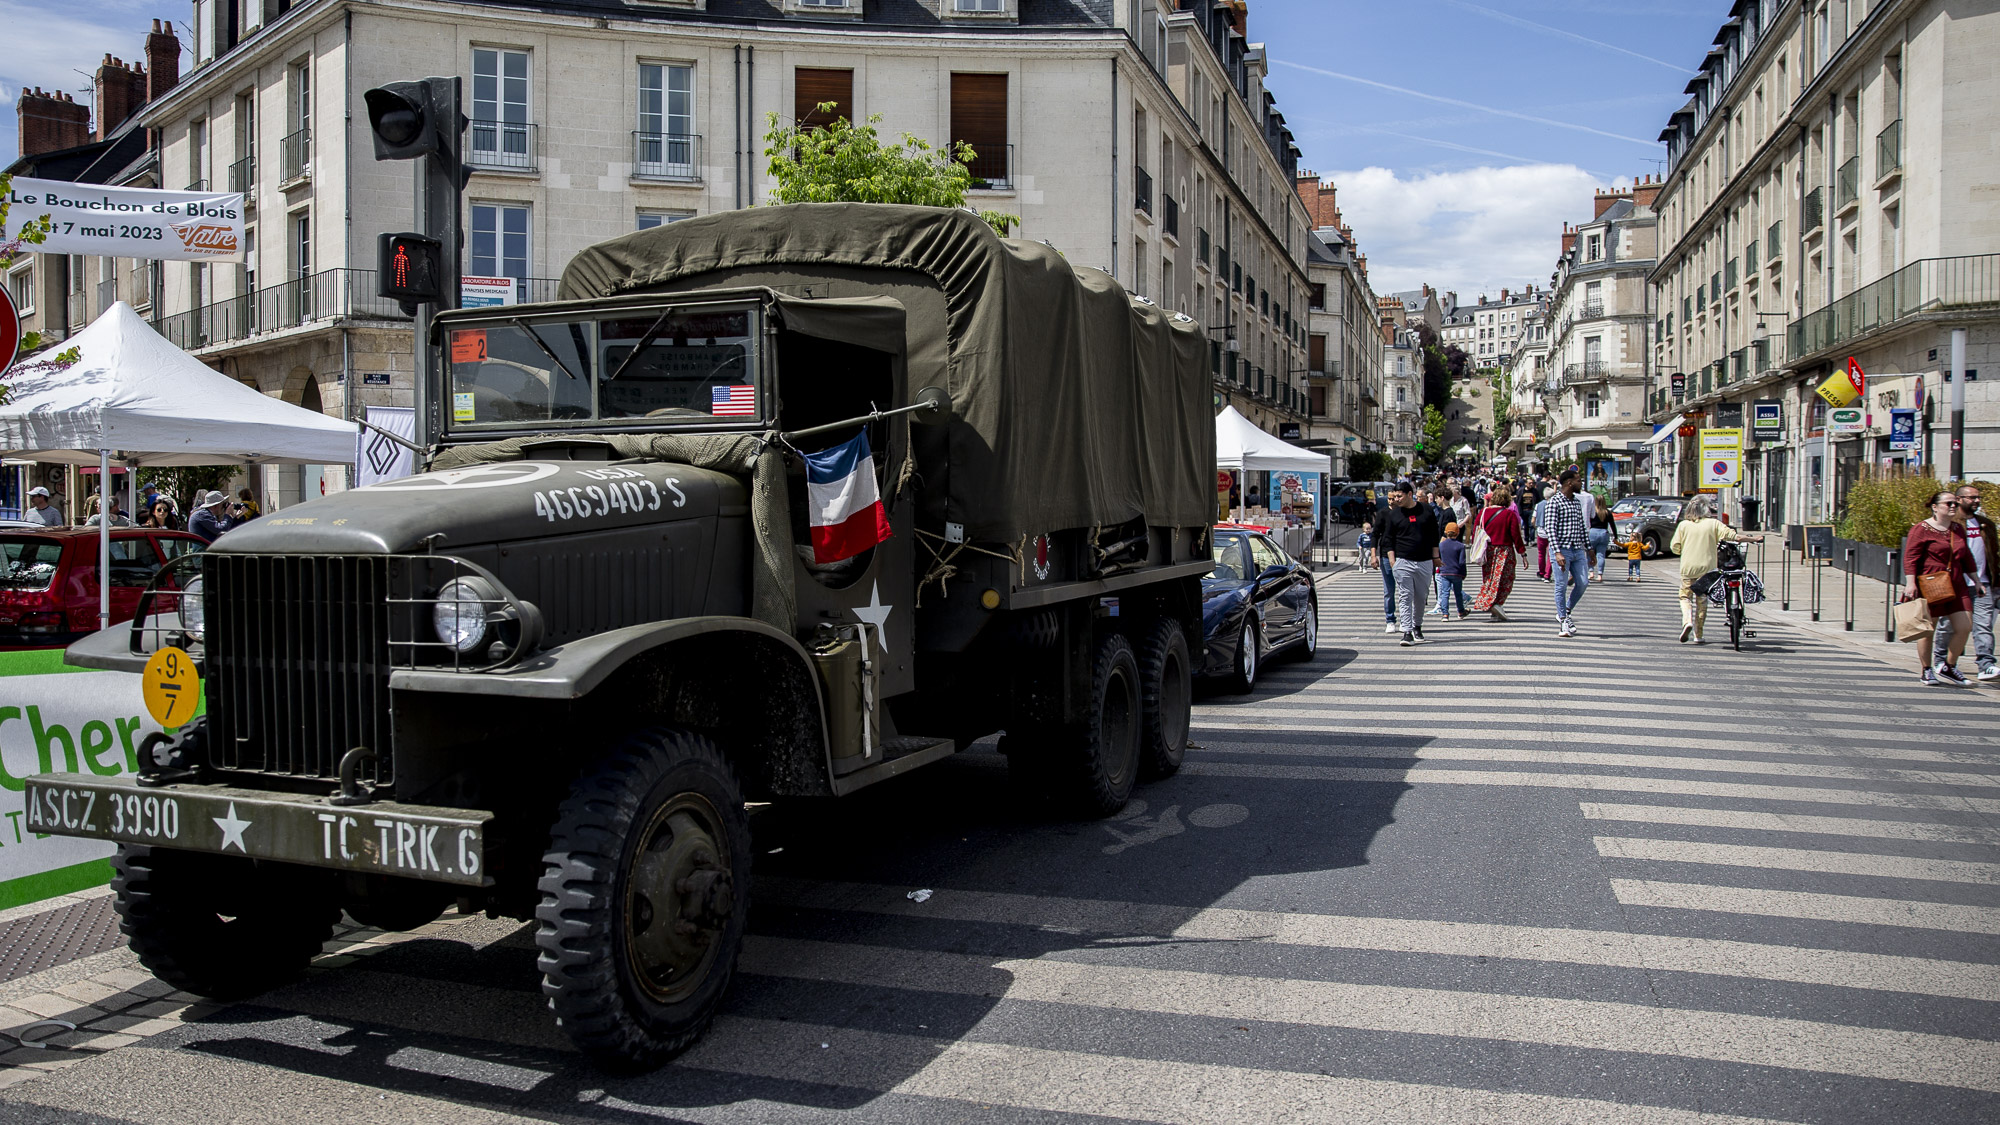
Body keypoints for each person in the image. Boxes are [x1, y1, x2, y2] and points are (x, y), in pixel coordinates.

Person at [1904, 490, 1982, 685]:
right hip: (1932, 582)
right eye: (1948, 503)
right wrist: (1910, 583)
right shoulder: (1921, 529)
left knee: (1964, 626)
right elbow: (1910, 557)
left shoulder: (1958, 528)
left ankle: (1949, 666)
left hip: (1957, 583)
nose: (1953, 506)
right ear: (1935, 507)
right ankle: (1926, 669)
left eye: (1955, 503)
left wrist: (1977, 581)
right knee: (1928, 629)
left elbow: (1966, 558)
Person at [1669, 494, 1765, 645]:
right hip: (1707, 569)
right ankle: (1698, 634)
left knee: (1685, 597)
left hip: (1688, 568)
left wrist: (1685, 550)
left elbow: (1674, 547)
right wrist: (1754, 539)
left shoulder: (1683, 525)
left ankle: (1686, 621)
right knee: (1702, 600)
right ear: (1706, 509)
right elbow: (1734, 537)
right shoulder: (1713, 524)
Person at [1378, 479, 1442, 646]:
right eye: (1395, 496)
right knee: (1405, 596)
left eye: (1400, 496)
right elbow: (1388, 539)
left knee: (1421, 597)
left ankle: (1417, 626)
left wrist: (1436, 557)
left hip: (1424, 560)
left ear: (1409, 495)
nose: (1397, 499)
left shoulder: (1426, 510)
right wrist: (1392, 561)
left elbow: (1434, 535)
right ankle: (1406, 631)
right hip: (1403, 560)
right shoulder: (1394, 514)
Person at [1953, 483, 2000, 681]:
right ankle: (1943, 661)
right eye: (1972, 497)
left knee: (1983, 625)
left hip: (1982, 584)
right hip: (1955, 584)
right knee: (1951, 626)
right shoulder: (1952, 524)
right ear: (1959, 500)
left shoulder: (1986, 524)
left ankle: (1986, 664)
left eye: (1977, 497)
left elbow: (1994, 555)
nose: (1976, 501)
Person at [1543, 468, 1592, 637]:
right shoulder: (1554, 502)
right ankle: (1563, 620)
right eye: (1578, 480)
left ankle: (1567, 610)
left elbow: (1582, 526)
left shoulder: (1576, 502)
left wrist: (1589, 547)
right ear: (1569, 483)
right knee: (1561, 585)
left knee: (1583, 582)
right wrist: (1557, 552)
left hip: (1577, 549)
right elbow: (1550, 528)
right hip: (1562, 549)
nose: (1581, 483)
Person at [1472, 483, 1526, 621]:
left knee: (1489, 579)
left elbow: (1475, 532)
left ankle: (1490, 603)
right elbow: (1516, 536)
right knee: (1505, 579)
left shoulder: (1483, 513)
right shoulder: (1509, 514)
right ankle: (1496, 603)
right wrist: (1523, 554)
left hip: (1487, 550)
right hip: (1504, 551)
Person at [1438, 521, 1469, 619]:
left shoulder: (1441, 545)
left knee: (1445, 593)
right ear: (1458, 532)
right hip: (1456, 572)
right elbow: (1462, 562)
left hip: (1444, 572)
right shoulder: (1460, 546)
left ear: (1446, 532)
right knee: (1458, 593)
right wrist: (1463, 574)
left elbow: (1439, 558)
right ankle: (1460, 611)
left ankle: (1445, 614)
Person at [1588, 496, 1613, 583]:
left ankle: (1591, 572)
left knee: (1590, 553)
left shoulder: (1593, 512)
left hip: (1593, 532)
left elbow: (1588, 522)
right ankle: (1600, 574)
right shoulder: (1607, 513)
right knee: (1601, 555)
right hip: (1604, 533)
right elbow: (1612, 525)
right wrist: (1616, 537)